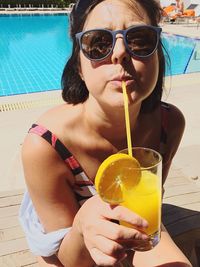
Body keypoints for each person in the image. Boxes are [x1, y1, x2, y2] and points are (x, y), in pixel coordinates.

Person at [19, 0, 192, 266]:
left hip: (137, 224)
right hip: (69, 245)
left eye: (139, 40)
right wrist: (82, 225)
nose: (120, 53)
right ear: (79, 66)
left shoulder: (169, 125)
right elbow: (67, 258)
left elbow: (149, 210)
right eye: (98, 43)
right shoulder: (46, 145)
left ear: (157, 56)